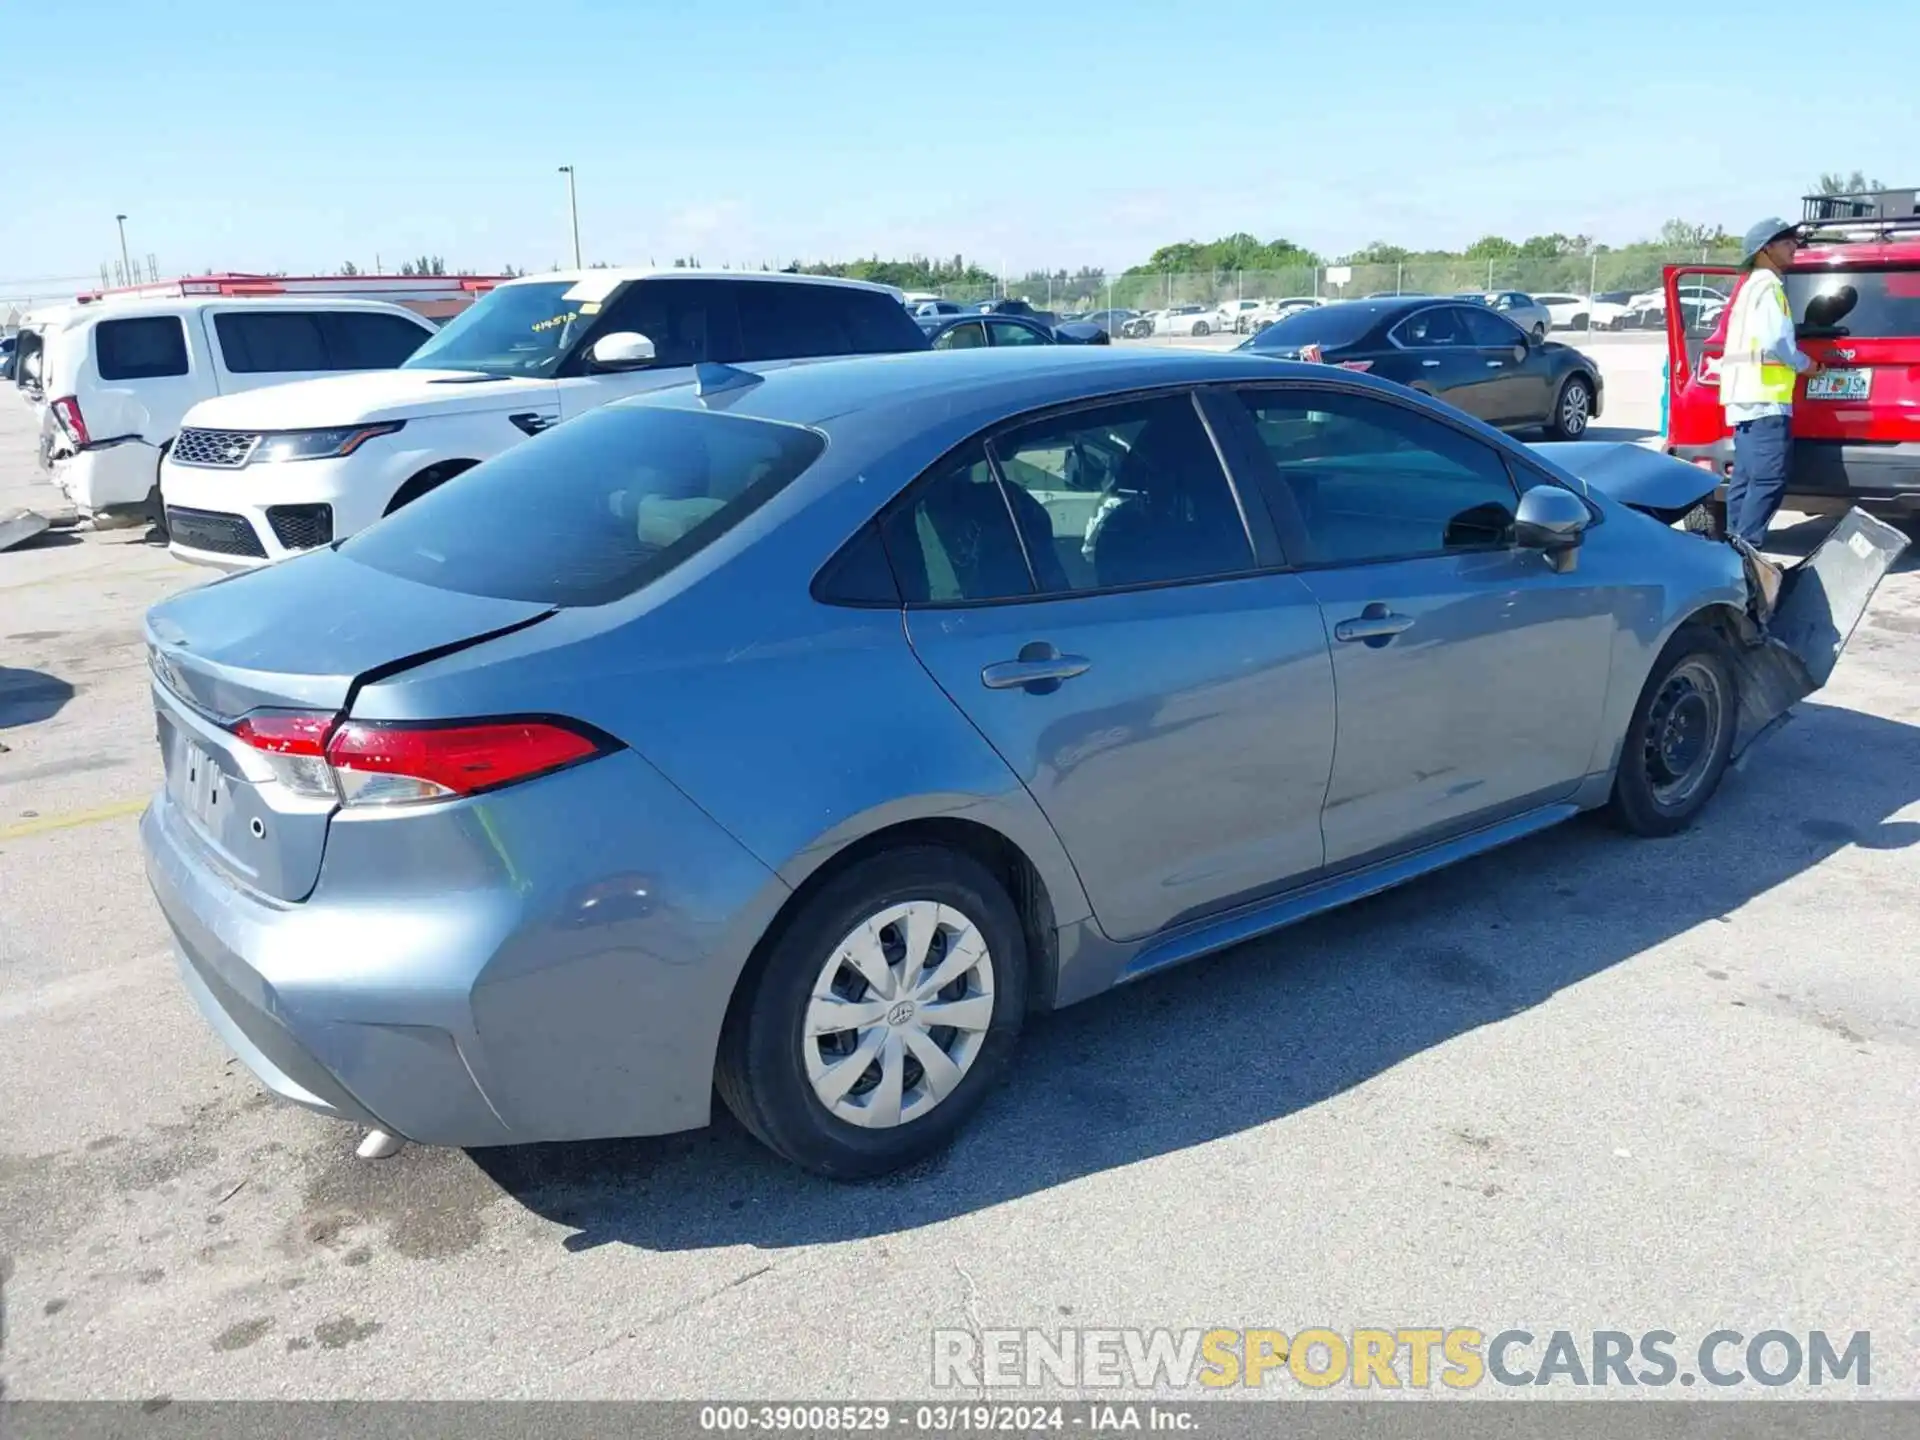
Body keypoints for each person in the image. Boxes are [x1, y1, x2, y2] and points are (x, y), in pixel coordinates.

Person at [1719, 217, 1823, 549]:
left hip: (1745, 397)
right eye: (1787, 242)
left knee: (1745, 480)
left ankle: (1733, 549)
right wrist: (1807, 366)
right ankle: (1748, 549)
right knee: (1768, 479)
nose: (1794, 247)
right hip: (1765, 399)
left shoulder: (1749, 288)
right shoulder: (1769, 287)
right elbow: (1776, 341)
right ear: (1766, 249)